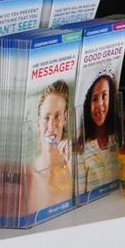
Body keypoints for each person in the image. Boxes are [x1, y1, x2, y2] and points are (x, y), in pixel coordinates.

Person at [27, 79, 74, 220]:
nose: (51, 125)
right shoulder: (27, 175)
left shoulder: (75, 168)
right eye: (46, 118)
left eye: (57, 116)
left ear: (65, 119)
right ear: (38, 124)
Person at [77, 72, 119, 195]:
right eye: (94, 99)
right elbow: (80, 194)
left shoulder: (119, 141)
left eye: (104, 96)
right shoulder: (81, 149)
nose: (100, 104)